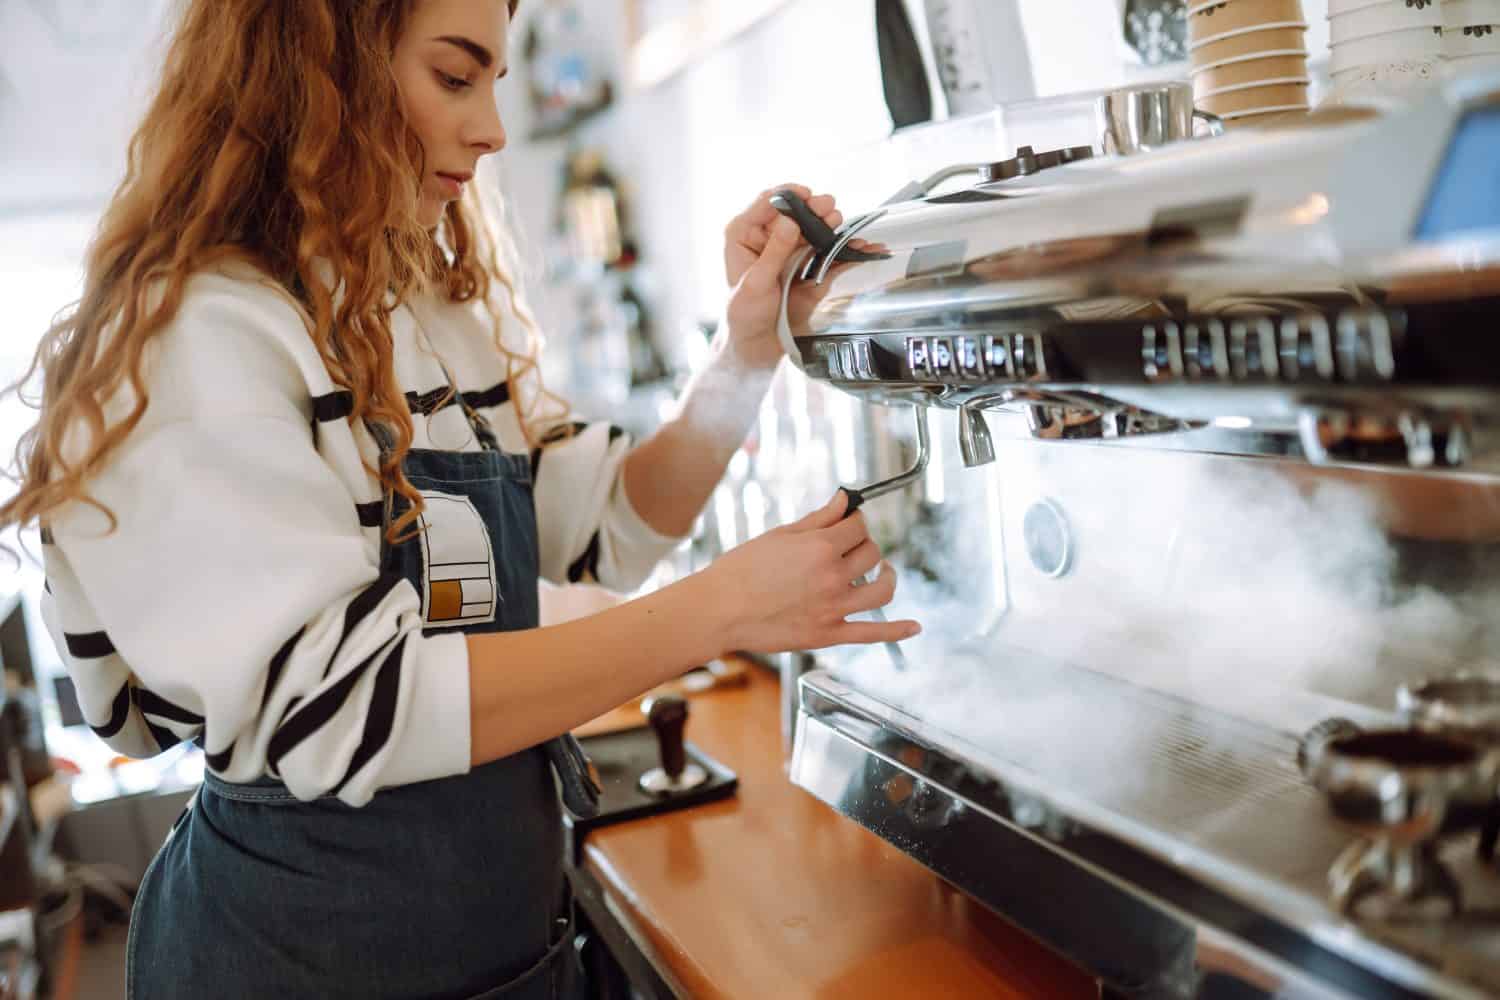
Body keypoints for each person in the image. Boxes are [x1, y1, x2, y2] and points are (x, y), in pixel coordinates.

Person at [0, 1, 919, 996]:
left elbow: (597, 528)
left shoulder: (414, 306)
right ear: (323, 65)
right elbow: (348, 705)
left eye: (494, 83)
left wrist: (746, 351)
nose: (492, 128)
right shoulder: (200, 332)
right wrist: (717, 610)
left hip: (498, 951)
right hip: (293, 962)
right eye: (453, 76)